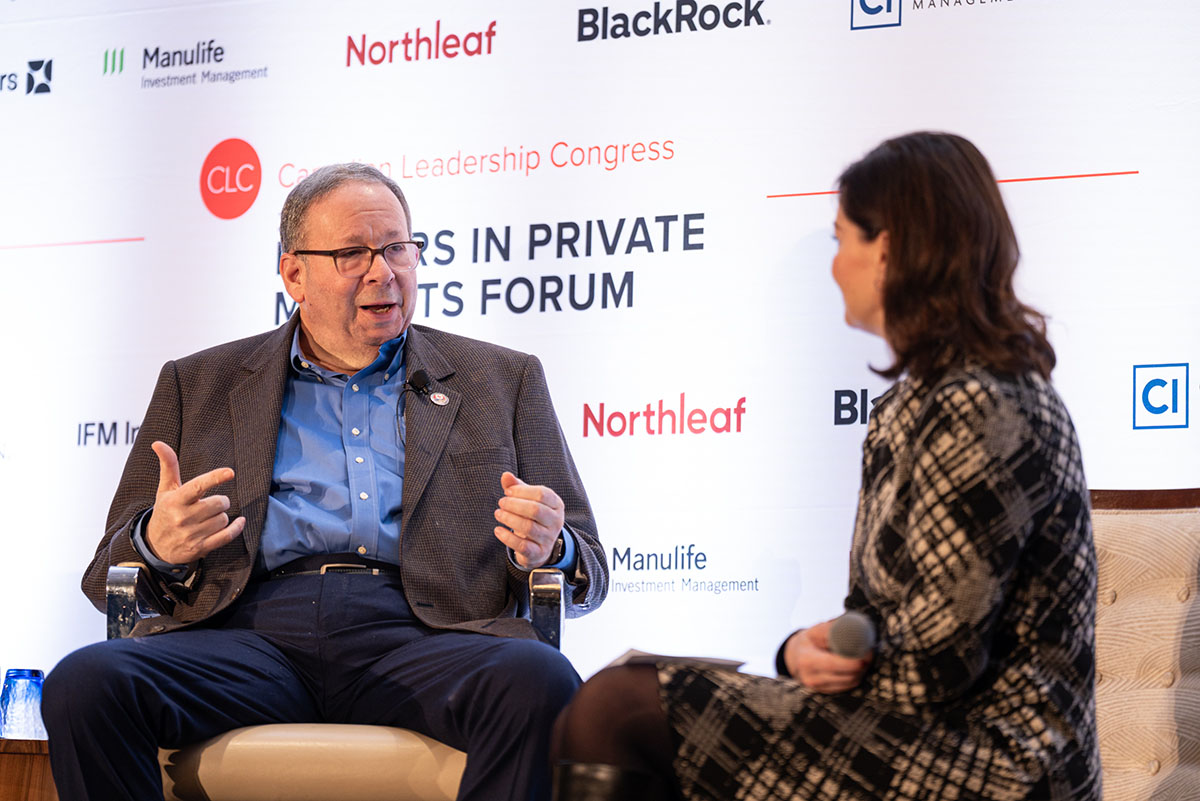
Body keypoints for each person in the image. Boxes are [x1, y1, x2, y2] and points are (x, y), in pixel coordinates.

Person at [550, 132, 1101, 801]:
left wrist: (814, 678)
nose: (834, 265)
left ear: (888, 249)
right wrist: (798, 652)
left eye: (841, 239)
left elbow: (937, 667)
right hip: (921, 732)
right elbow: (872, 620)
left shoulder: (985, 402)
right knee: (608, 710)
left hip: (1002, 758)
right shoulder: (909, 406)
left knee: (618, 710)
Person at [43, 163, 608, 801]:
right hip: (248, 639)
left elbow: (590, 568)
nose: (383, 272)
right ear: (293, 275)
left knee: (539, 678)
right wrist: (156, 545)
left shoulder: (500, 379)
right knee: (85, 683)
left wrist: (552, 546)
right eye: (352, 254)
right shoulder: (198, 383)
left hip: (426, 637)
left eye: (397, 248)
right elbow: (105, 578)